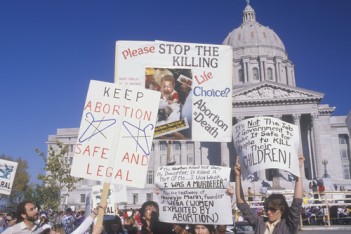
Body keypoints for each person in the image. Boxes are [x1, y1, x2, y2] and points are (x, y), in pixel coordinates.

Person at [234, 154, 304, 234]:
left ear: (281, 210)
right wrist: (237, 176)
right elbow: (241, 204)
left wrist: (298, 170)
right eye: (267, 209)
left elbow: (297, 202)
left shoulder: (287, 225)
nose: (268, 212)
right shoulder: (260, 223)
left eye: (273, 209)